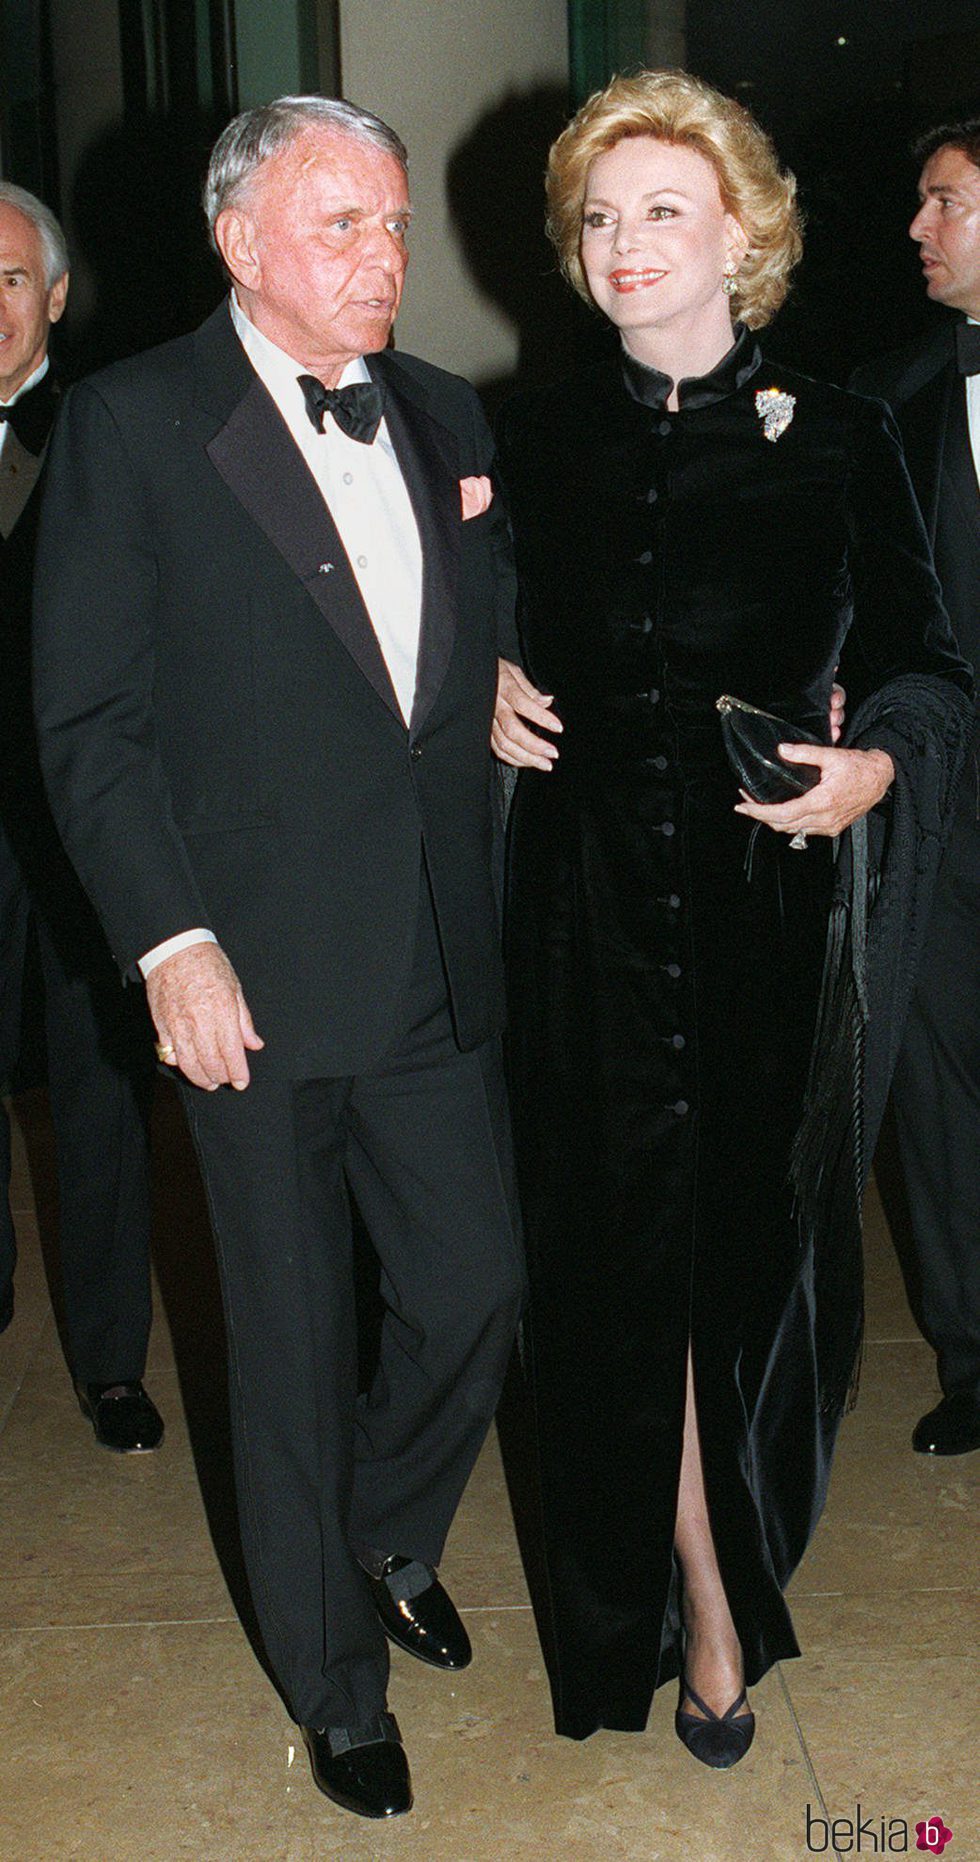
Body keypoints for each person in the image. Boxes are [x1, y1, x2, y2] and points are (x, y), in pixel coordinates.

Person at [32, 98, 524, 1822]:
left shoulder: (450, 410)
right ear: (242, 241)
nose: (387, 256)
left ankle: (382, 1523)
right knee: (296, 1338)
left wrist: (510, 692)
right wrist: (167, 939)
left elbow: (460, 647)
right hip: (241, 971)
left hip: (434, 956)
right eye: (345, 226)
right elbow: (87, 722)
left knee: (476, 1293)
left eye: (394, 224)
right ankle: (335, 1679)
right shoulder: (136, 422)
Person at [492, 71, 972, 1759]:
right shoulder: (524, 436)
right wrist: (476, 677)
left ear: (744, 236)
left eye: (664, 212)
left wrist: (880, 768)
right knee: (621, 1274)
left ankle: (728, 1547)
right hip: (582, 911)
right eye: (601, 218)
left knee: (751, 1275)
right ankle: (698, 1596)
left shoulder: (841, 433)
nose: (626, 246)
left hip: (773, 909)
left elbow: (928, 661)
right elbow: (424, 628)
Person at [0, 182, 160, 1453]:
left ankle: (112, 1360)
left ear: (54, 296)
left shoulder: (115, 426)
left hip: (80, 814)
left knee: (103, 1084)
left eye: (9, 278)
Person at [851, 119, 980, 1459]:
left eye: (942, 200)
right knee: (940, 1091)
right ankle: (974, 1351)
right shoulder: (888, 397)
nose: (917, 227)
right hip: (943, 808)